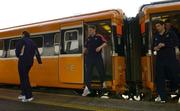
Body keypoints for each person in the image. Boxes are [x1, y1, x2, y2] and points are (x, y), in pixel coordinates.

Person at [153, 20, 179, 103]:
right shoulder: (156, 36)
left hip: (170, 59)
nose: (157, 28)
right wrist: (156, 47)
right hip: (160, 60)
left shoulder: (171, 34)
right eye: (156, 26)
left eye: (158, 26)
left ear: (163, 26)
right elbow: (153, 47)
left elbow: (176, 43)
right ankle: (163, 97)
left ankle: (175, 90)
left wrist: (165, 44)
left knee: (174, 75)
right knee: (159, 78)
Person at [15, 31, 42, 102]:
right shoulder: (33, 42)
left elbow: (17, 52)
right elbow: (36, 52)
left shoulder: (22, 41)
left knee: (23, 78)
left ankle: (29, 96)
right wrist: (39, 61)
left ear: (23, 35)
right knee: (24, 77)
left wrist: (18, 55)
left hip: (23, 61)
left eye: (21, 35)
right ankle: (23, 94)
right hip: (30, 62)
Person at [82, 25, 107, 96]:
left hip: (97, 57)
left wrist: (100, 47)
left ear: (94, 30)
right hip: (89, 57)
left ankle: (103, 83)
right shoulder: (88, 38)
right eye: (88, 30)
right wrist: (82, 53)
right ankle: (87, 88)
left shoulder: (99, 36)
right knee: (88, 73)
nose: (89, 32)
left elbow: (105, 43)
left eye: (90, 30)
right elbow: (85, 47)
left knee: (101, 70)